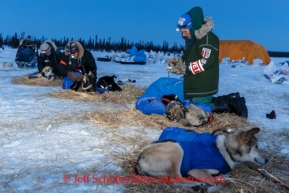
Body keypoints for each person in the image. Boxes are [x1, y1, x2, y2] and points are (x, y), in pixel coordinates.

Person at [168, 6, 247, 118]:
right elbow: (187, 57)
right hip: (193, 84)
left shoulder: (208, 39)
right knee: (190, 107)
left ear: (193, 26)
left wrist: (185, 69)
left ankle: (232, 105)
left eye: (185, 31)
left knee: (198, 113)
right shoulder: (191, 40)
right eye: (181, 31)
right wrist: (178, 62)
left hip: (203, 85)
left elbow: (205, 62)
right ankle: (221, 102)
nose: (183, 35)